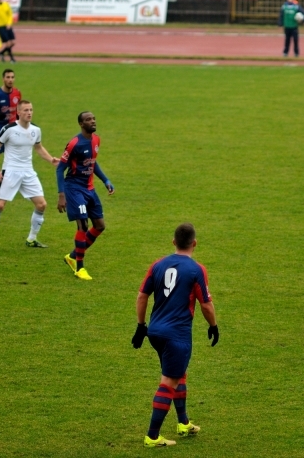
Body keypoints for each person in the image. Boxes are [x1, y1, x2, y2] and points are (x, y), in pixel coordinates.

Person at [132, 223, 219, 448]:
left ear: (173, 242)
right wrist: (213, 326)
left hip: (155, 332)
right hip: (177, 335)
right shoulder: (196, 269)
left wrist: (141, 326)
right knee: (169, 381)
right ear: (194, 243)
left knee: (179, 373)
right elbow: (206, 304)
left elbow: (142, 296)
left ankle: (183, 423)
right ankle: (152, 437)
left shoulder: (158, 265)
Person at [0, 100, 59, 250]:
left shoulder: (36, 130)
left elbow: (39, 147)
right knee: (0, 206)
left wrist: (51, 160)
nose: (29, 113)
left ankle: (31, 239)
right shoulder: (9, 129)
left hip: (28, 172)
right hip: (10, 171)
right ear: (18, 112)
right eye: (26, 110)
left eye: (31, 110)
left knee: (41, 204)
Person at [56, 111, 114, 281]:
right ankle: (79, 267)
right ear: (81, 124)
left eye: (94, 118)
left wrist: (105, 180)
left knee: (100, 226)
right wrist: (61, 195)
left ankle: (73, 256)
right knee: (83, 225)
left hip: (89, 188)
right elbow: (60, 169)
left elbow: (92, 163)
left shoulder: (96, 140)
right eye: (88, 120)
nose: (93, 121)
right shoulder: (74, 144)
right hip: (74, 188)